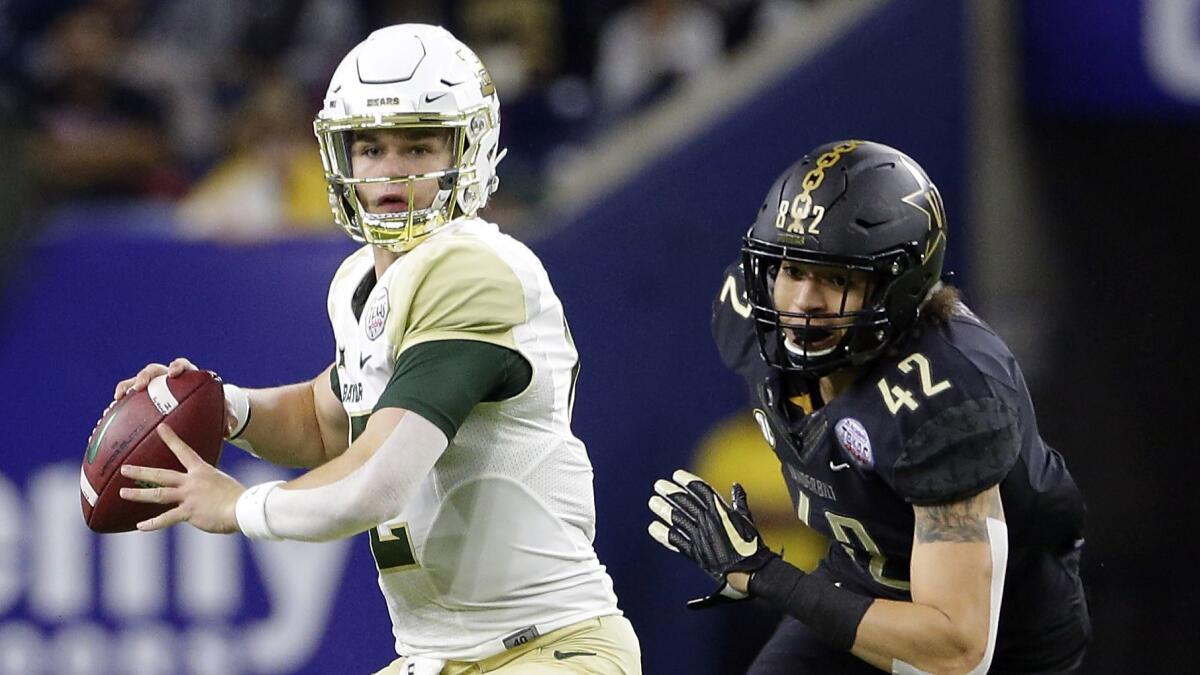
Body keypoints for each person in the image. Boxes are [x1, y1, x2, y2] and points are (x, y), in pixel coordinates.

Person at [112, 24, 641, 675]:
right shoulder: (361, 280)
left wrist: (241, 505)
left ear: (469, 149)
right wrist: (226, 406)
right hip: (435, 656)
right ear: (343, 158)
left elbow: (377, 476)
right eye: (370, 147)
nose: (390, 169)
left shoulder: (472, 269)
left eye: (418, 146)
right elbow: (324, 419)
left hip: (546, 648)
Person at [647, 140, 1090, 673]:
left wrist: (765, 574)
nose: (803, 302)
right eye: (791, 269)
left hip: (999, 635)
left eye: (837, 279)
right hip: (863, 577)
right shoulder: (749, 315)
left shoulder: (944, 397)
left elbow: (957, 651)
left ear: (897, 287)